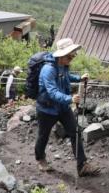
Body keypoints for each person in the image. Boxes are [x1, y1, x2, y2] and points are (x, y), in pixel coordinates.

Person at [35, 38, 101, 176]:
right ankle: (40, 159)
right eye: (71, 55)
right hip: (47, 110)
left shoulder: (62, 66)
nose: (73, 57)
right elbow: (52, 92)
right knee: (43, 136)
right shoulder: (48, 70)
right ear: (61, 55)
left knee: (75, 132)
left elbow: (65, 77)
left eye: (73, 54)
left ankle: (82, 166)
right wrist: (69, 99)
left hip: (62, 108)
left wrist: (79, 78)